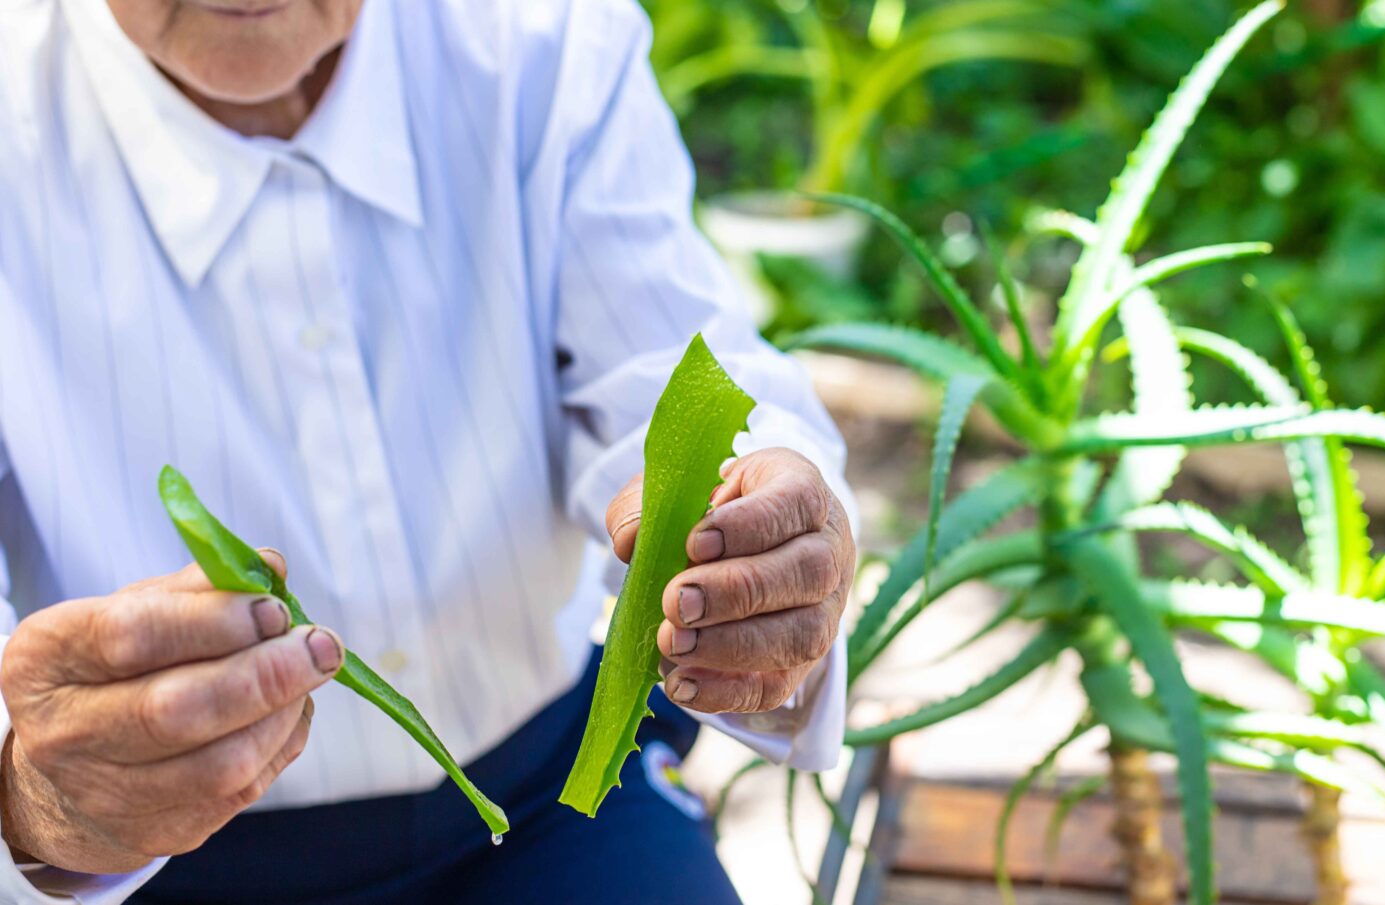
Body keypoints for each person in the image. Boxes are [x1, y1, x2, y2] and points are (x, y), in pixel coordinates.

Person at [0, 0, 858, 901]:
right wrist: (38, 802)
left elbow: (680, 373)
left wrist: (770, 534)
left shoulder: (542, 40)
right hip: (141, 870)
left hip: (552, 808)